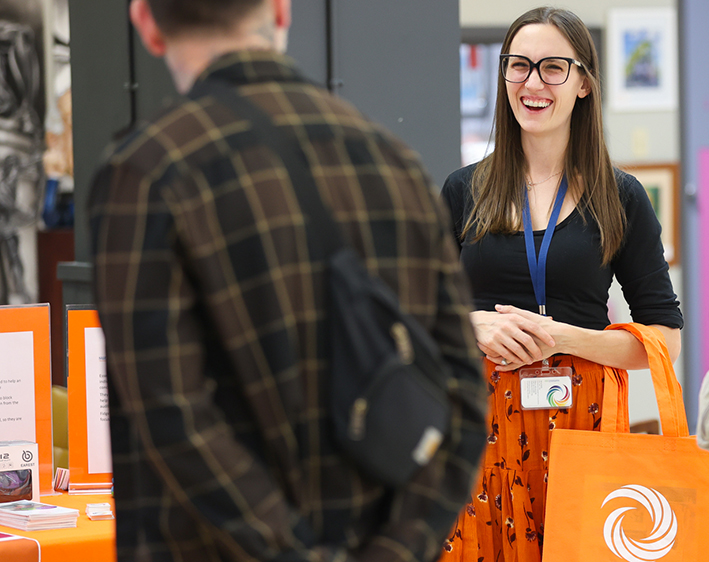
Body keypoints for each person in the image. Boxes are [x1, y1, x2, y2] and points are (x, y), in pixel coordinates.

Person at [89, 1, 485, 560]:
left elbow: (170, 411)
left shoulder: (146, 171)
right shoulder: (391, 160)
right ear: (280, 10)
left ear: (146, 24)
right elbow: (463, 398)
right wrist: (397, 549)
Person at [438, 7, 683, 562]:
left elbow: (664, 341)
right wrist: (472, 322)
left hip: (583, 426)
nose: (532, 82)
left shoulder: (621, 198)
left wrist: (564, 337)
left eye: (552, 67)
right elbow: (411, 313)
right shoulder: (462, 191)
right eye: (518, 66)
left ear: (584, 83)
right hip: (475, 428)